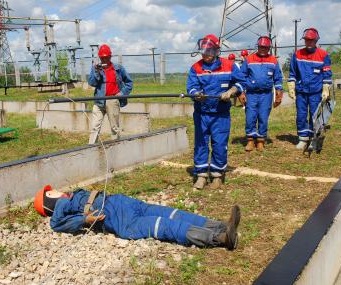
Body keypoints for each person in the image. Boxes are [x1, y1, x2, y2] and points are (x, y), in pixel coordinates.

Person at [34, 185, 241, 250]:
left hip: (126, 204)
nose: (56, 190)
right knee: (166, 225)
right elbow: (56, 224)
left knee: (171, 213)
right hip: (122, 220)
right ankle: (220, 238)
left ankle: (222, 226)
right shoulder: (61, 205)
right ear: (48, 201)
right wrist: (85, 221)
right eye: (50, 192)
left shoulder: (69, 197)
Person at [187, 34, 246, 190]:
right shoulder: (196, 68)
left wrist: (232, 90)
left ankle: (217, 175)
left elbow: (241, 82)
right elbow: (191, 87)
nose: (205, 55)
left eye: (208, 52)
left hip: (221, 114)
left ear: (216, 51)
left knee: (219, 144)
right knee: (201, 144)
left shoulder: (229, 65)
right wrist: (196, 94)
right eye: (203, 52)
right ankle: (201, 175)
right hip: (202, 114)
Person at [287, 28, 332, 150]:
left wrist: (326, 88)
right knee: (301, 115)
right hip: (301, 91)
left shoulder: (323, 55)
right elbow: (292, 73)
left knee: (315, 116)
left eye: (311, 40)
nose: (308, 42)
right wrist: (291, 85)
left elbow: (327, 74)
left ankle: (314, 139)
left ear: (316, 40)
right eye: (306, 40)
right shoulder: (297, 54)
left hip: (316, 92)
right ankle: (303, 138)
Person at [239, 36, 283, 151]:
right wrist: (241, 92)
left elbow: (278, 78)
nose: (263, 49)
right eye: (261, 47)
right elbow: (242, 77)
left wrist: (279, 93)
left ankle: (260, 141)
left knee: (263, 117)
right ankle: (250, 140)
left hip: (266, 95)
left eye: (265, 47)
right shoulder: (249, 59)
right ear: (257, 47)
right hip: (251, 94)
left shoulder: (273, 60)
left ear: (269, 48)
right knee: (250, 117)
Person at [88, 44, 133, 144]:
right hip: (99, 101)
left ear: (110, 57)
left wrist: (122, 93)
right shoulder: (96, 68)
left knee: (114, 127)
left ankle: (115, 145)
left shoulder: (118, 68)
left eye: (106, 57)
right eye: (102, 58)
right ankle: (90, 147)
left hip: (112, 100)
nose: (104, 60)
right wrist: (96, 72)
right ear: (99, 57)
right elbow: (92, 83)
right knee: (95, 127)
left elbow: (129, 83)